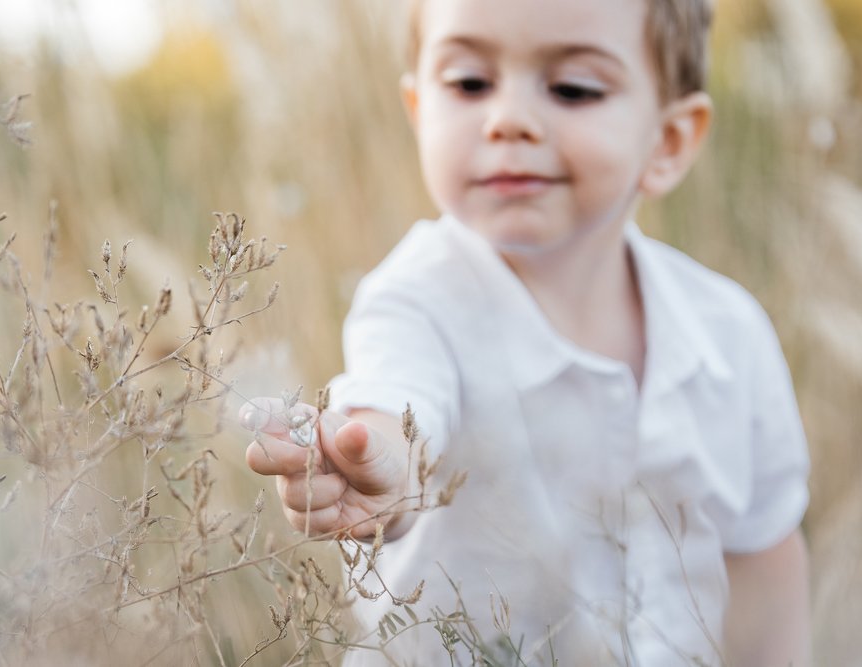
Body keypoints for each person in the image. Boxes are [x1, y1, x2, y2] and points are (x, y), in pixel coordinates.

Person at [239, 0, 812, 664]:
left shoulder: (729, 335)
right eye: (469, 83)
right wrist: (378, 468)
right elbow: (396, 407)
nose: (507, 118)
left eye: (573, 88)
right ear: (421, 109)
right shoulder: (416, 300)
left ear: (668, 141)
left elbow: (764, 558)